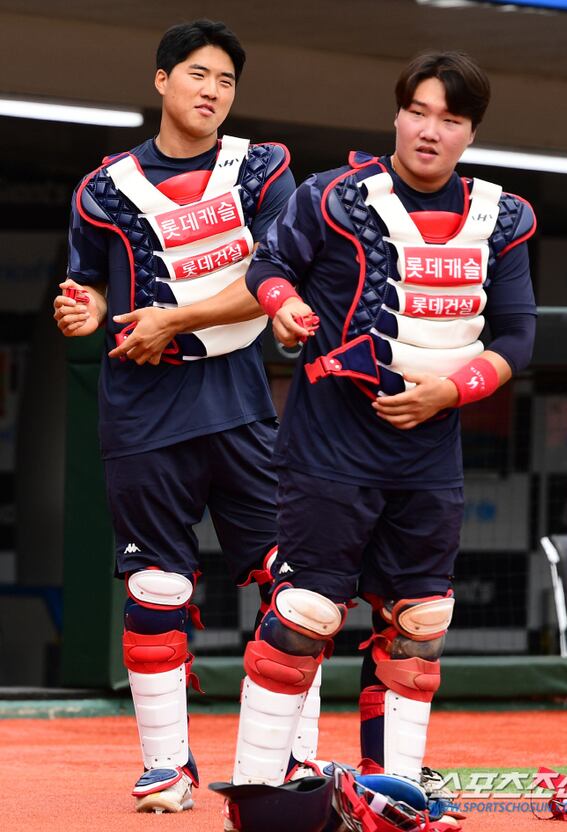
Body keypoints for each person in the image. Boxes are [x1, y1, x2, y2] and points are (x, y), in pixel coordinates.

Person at [226, 50, 537, 808]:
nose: (430, 131)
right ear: (397, 115)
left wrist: (450, 391)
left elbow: (518, 335)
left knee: (422, 624)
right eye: (418, 112)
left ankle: (393, 794)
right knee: (306, 612)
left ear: (470, 132)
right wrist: (283, 306)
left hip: (429, 453)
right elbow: (268, 266)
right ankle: (258, 794)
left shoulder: (503, 218)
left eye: (450, 119)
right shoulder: (332, 195)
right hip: (330, 447)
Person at [53, 19, 297, 814]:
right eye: (197, 74)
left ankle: (285, 763)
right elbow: (91, 285)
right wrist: (85, 310)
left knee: (294, 585)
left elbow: (272, 277)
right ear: (161, 80)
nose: (212, 91)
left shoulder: (263, 169)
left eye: (226, 80)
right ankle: (165, 769)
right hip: (142, 411)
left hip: (239, 404)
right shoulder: (101, 189)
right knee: (155, 585)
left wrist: (173, 319)